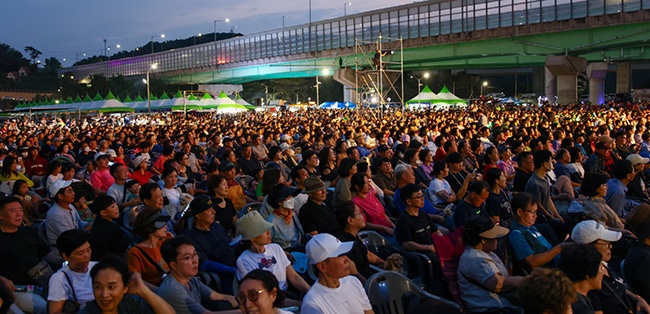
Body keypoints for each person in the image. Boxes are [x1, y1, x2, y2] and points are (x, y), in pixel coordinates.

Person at [571, 220, 650, 314]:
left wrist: (637, 298)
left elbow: (618, 286)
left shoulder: (604, 265)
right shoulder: (590, 279)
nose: (610, 246)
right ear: (588, 247)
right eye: (605, 243)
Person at [235, 211, 310, 295]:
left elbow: (294, 277)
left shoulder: (276, 248)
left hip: (285, 292)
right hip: (268, 299)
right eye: (264, 230)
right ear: (252, 237)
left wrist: (311, 293)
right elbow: (262, 295)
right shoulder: (244, 261)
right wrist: (298, 304)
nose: (268, 232)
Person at [157, 236, 239, 313]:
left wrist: (244, 303)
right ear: (173, 265)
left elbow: (220, 297)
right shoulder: (174, 290)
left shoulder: (191, 279)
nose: (195, 261)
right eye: (187, 257)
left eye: (195, 254)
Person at [457, 217, 522, 313]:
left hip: (504, 304)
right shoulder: (474, 258)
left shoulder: (488, 252)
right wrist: (525, 280)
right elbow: (497, 284)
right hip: (490, 309)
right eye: (494, 237)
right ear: (483, 240)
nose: (497, 240)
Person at [0, 196, 51, 314]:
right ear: (1, 215)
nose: (18, 214)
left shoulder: (28, 231)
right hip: (17, 289)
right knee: (46, 308)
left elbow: (47, 253)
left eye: (20, 210)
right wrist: (2, 280)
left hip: (43, 279)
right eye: (13, 211)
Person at [302, 233, 374, 314]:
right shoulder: (313, 305)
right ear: (322, 266)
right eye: (340, 255)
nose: (347, 259)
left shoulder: (354, 282)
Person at [80, 255, 175, 313]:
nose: (104, 294)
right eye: (98, 287)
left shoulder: (130, 304)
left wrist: (144, 290)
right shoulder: (89, 311)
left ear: (125, 288)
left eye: (111, 287)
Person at [178, 195, 237, 282]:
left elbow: (230, 244)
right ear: (198, 215)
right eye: (209, 209)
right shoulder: (191, 238)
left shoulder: (217, 226)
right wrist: (233, 270)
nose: (214, 211)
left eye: (212, 208)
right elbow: (205, 264)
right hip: (225, 276)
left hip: (238, 263)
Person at [509, 192, 568, 273]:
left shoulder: (530, 226)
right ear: (520, 212)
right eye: (532, 212)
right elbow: (532, 262)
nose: (535, 215)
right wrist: (558, 249)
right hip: (547, 274)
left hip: (557, 264)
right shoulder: (516, 234)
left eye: (536, 212)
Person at [330, 201, 385, 281]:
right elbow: (352, 273)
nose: (363, 217)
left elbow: (368, 254)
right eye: (360, 213)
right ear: (350, 220)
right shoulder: (343, 245)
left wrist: (385, 263)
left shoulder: (353, 235)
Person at [47, 229, 96, 313]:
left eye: (88, 250)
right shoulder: (59, 279)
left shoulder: (97, 267)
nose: (87, 255)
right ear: (65, 256)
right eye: (80, 253)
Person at [395, 184, 442, 256]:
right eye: (419, 197)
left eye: (422, 196)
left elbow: (436, 232)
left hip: (432, 248)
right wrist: (428, 247)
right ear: (409, 201)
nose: (423, 199)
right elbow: (407, 244)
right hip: (422, 254)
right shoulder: (404, 220)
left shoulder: (423, 214)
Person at [558, 244, 606, 314]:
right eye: (601, 268)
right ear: (588, 275)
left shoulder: (566, 297)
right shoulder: (580, 308)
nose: (603, 273)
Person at [128, 209, 172, 287]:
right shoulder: (136, 252)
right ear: (149, 228)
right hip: (154, 291)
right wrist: (158, 291)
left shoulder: (163, 244)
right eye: (161, 224)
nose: (165, 226)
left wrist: (174, 242)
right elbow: (136, 281)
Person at [46, 179, 92, 246]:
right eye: (70, 191)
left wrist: (88, 224)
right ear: (60, 196)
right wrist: (87, 229)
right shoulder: (56, 215)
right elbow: (69, 237)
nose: (74, 193)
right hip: (64, 247)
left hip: (76, 239)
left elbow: (78, 222)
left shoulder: (70, 206)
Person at [88, 194, 129, 261]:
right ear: (103, 213)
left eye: (116, 205)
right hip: (110, 261)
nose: (116, 208)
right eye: (112, 207)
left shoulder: (97, 223)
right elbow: (121, 247)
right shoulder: (112, 228)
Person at [266, 184, 305, 250]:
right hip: (285, 251)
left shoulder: (292, 214)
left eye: (292, 197)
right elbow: (268, 244)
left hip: (299, 247)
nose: (293, 199)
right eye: (289, 198)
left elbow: (301, 232)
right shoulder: (271, 221)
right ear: (280, 202)